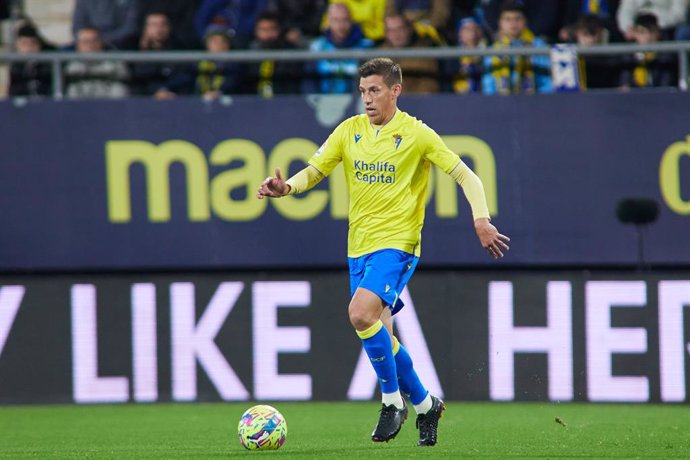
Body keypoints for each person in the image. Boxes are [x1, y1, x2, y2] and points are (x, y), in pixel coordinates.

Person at [257, 57, 510, 446]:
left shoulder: (417, 134)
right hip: (358, 247)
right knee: (383, 336)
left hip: (397, 244)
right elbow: (315, 170)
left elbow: (466, 174)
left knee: (359, 313)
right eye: (362, 92)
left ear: (395, 91)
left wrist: (481, 220)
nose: (367, 99)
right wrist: (287, 188)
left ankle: (393, 402)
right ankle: (427, 405)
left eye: (374, 90)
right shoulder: (349, 130)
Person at [482, 1, 552, 95]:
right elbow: (488, 85)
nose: (513, 23)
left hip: (535, 101)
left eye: (518, 19)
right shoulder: (493, 50)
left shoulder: (538, 45)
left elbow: (547, 81)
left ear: (525, 21)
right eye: (508, 19)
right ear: (500, 23)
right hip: (501, 103)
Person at [155, 24, 243, 99]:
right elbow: (184, 78)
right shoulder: (199, 64)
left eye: (223, 42)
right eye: (214, 41)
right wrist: (165, 88)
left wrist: (219, 92)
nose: (219, 45)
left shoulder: (235, 65)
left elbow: (232, 82)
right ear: (207, 44)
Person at [305, 3, 374, 93]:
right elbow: (309, 83)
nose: (341, 25)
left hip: (358, 103)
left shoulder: (366, 47)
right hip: (322, 103)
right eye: (336, 20)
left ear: (351, 21)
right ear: (328, 21)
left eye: (345, 20)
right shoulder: (317, 47)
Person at [242, 10, 303, 96]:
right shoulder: (248, 54)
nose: (268, 34)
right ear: (256, 31)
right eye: (263, 30)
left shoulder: (291, 54)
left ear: (279, 30)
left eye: (272, 29)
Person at [380, 13, 444, 94]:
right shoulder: (379, 56)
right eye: (391, 30)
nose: (396, 34)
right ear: (386, 34)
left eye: (400, 29)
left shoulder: (424, 55)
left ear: (409, 30)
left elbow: (429, 85)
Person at [64, 28, 130, 99]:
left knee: (119, 89)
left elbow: (124, 76)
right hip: (81, 97)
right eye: (86, 41)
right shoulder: (70, 62)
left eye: (94, 41)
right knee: (72, 90)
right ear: (78, 44)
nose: (90, 45)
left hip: (107, 98)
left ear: (101, 43)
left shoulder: (113, 60)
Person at [620, 13, 678, 88]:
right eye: (642, 32)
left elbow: (666, 86)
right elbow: (625, 86)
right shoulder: (628, 57)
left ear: (658, 33)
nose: (648, 37)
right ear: (635, 34)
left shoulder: (667, 57)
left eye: (652, 31)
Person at [130, 13, 180, 96]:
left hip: (176, 98)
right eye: (154, 25)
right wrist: (156, 91)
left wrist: (166, 91)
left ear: (169, 28)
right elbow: (139, 82)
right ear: (145, 28)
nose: (159, 29)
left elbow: (183, 78)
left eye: (163, 24)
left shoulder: (179, 51)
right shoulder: (134, 52)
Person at [9, 22, 55, 98]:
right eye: (24, 44)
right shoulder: (15, 68)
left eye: (32, 43)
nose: (29, 48)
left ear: (39, 45)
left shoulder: (48, 66)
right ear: (18, 46)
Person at [72, 0, 140, 49]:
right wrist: (88, 39)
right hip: (88, 42)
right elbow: (77, 27)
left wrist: (100, 40)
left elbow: (130, 28)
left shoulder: (130, 2)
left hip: (119, 45)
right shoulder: (83, 2)